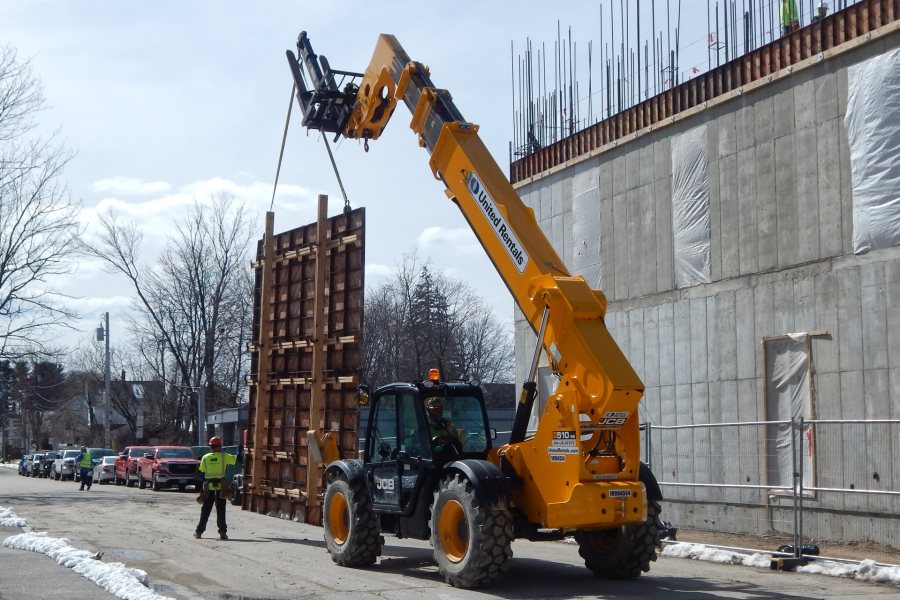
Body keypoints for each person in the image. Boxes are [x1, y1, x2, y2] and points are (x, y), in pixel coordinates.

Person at [195, 436, 241, 540]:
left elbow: (202, 472)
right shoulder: (224, 456)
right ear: (220, 446)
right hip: (221, 487)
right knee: (221, 510)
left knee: (205, 510)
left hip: (209, 487)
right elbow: (237, 459)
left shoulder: (205, 457)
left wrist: (202, 488)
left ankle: (199, 532)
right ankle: (222, 533)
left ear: (210, 446)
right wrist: (239, 450)